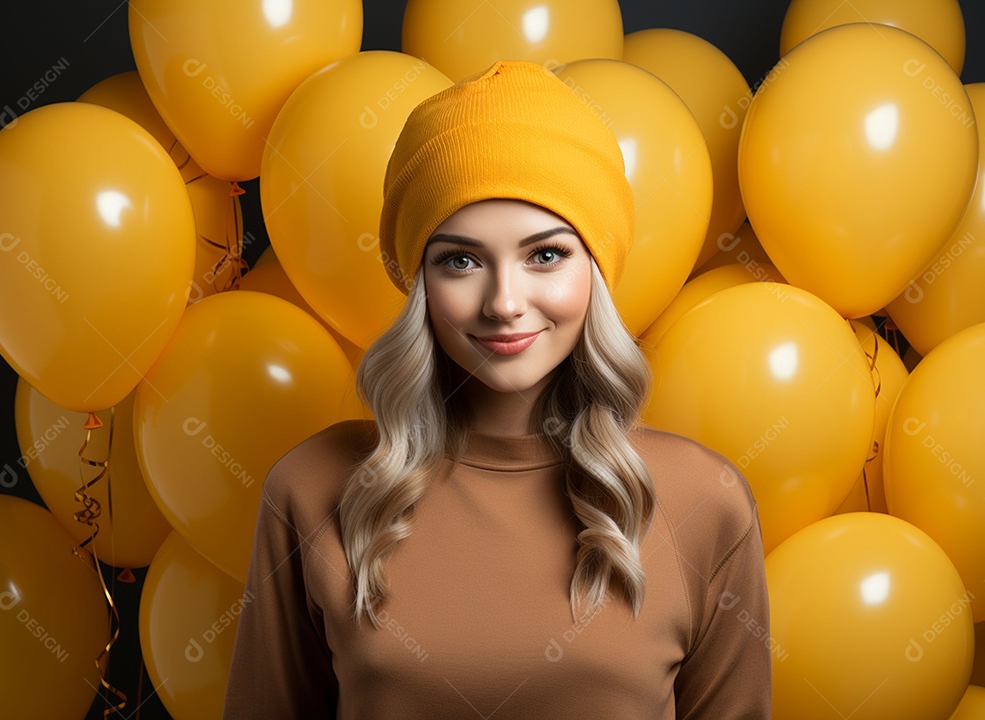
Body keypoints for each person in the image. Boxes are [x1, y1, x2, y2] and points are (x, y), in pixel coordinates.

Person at [223, 59, 771, 719]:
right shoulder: (311, 489)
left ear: (596, 272)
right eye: (461, 260)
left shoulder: (704, 503)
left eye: (545, 255)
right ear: (419, 281)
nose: (505, 303)